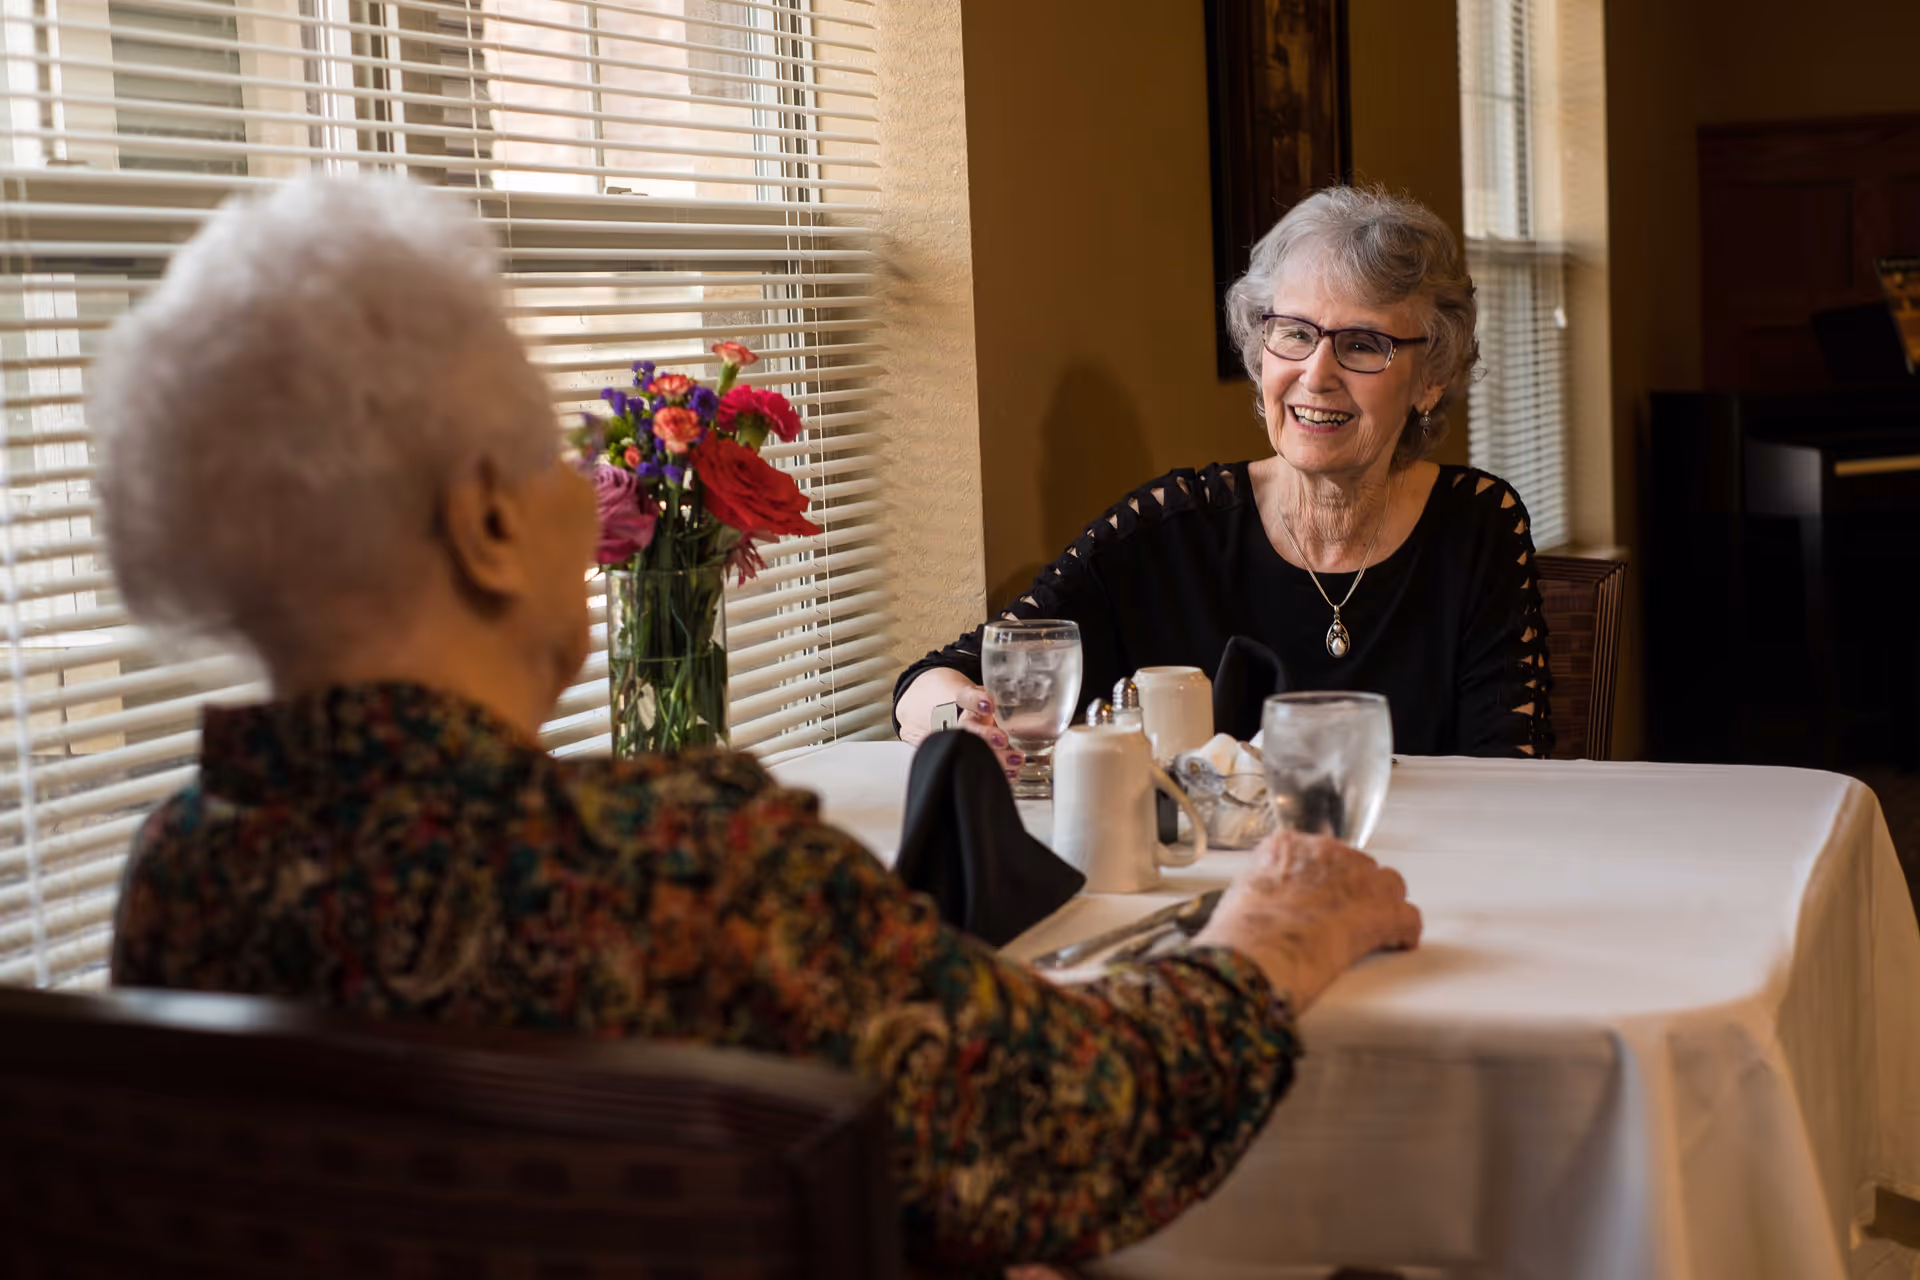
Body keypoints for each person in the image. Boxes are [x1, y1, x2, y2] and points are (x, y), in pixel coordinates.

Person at [98, 174, 1423, 1276]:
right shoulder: (692, 871)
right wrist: (1265, 940)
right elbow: (1077, 1135)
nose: (588, 494)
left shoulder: (184, 870)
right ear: (489, 529)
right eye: (556, 460)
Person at [895, 186, 1553, 767]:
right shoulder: (1169, 528)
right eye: (1293, 333)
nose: (1316, 374)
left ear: (1430, 378)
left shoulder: (1477, 525)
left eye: (1361, 344)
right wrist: (963, 717)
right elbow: (936, 679)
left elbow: (1508, 772)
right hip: (1204, 886)